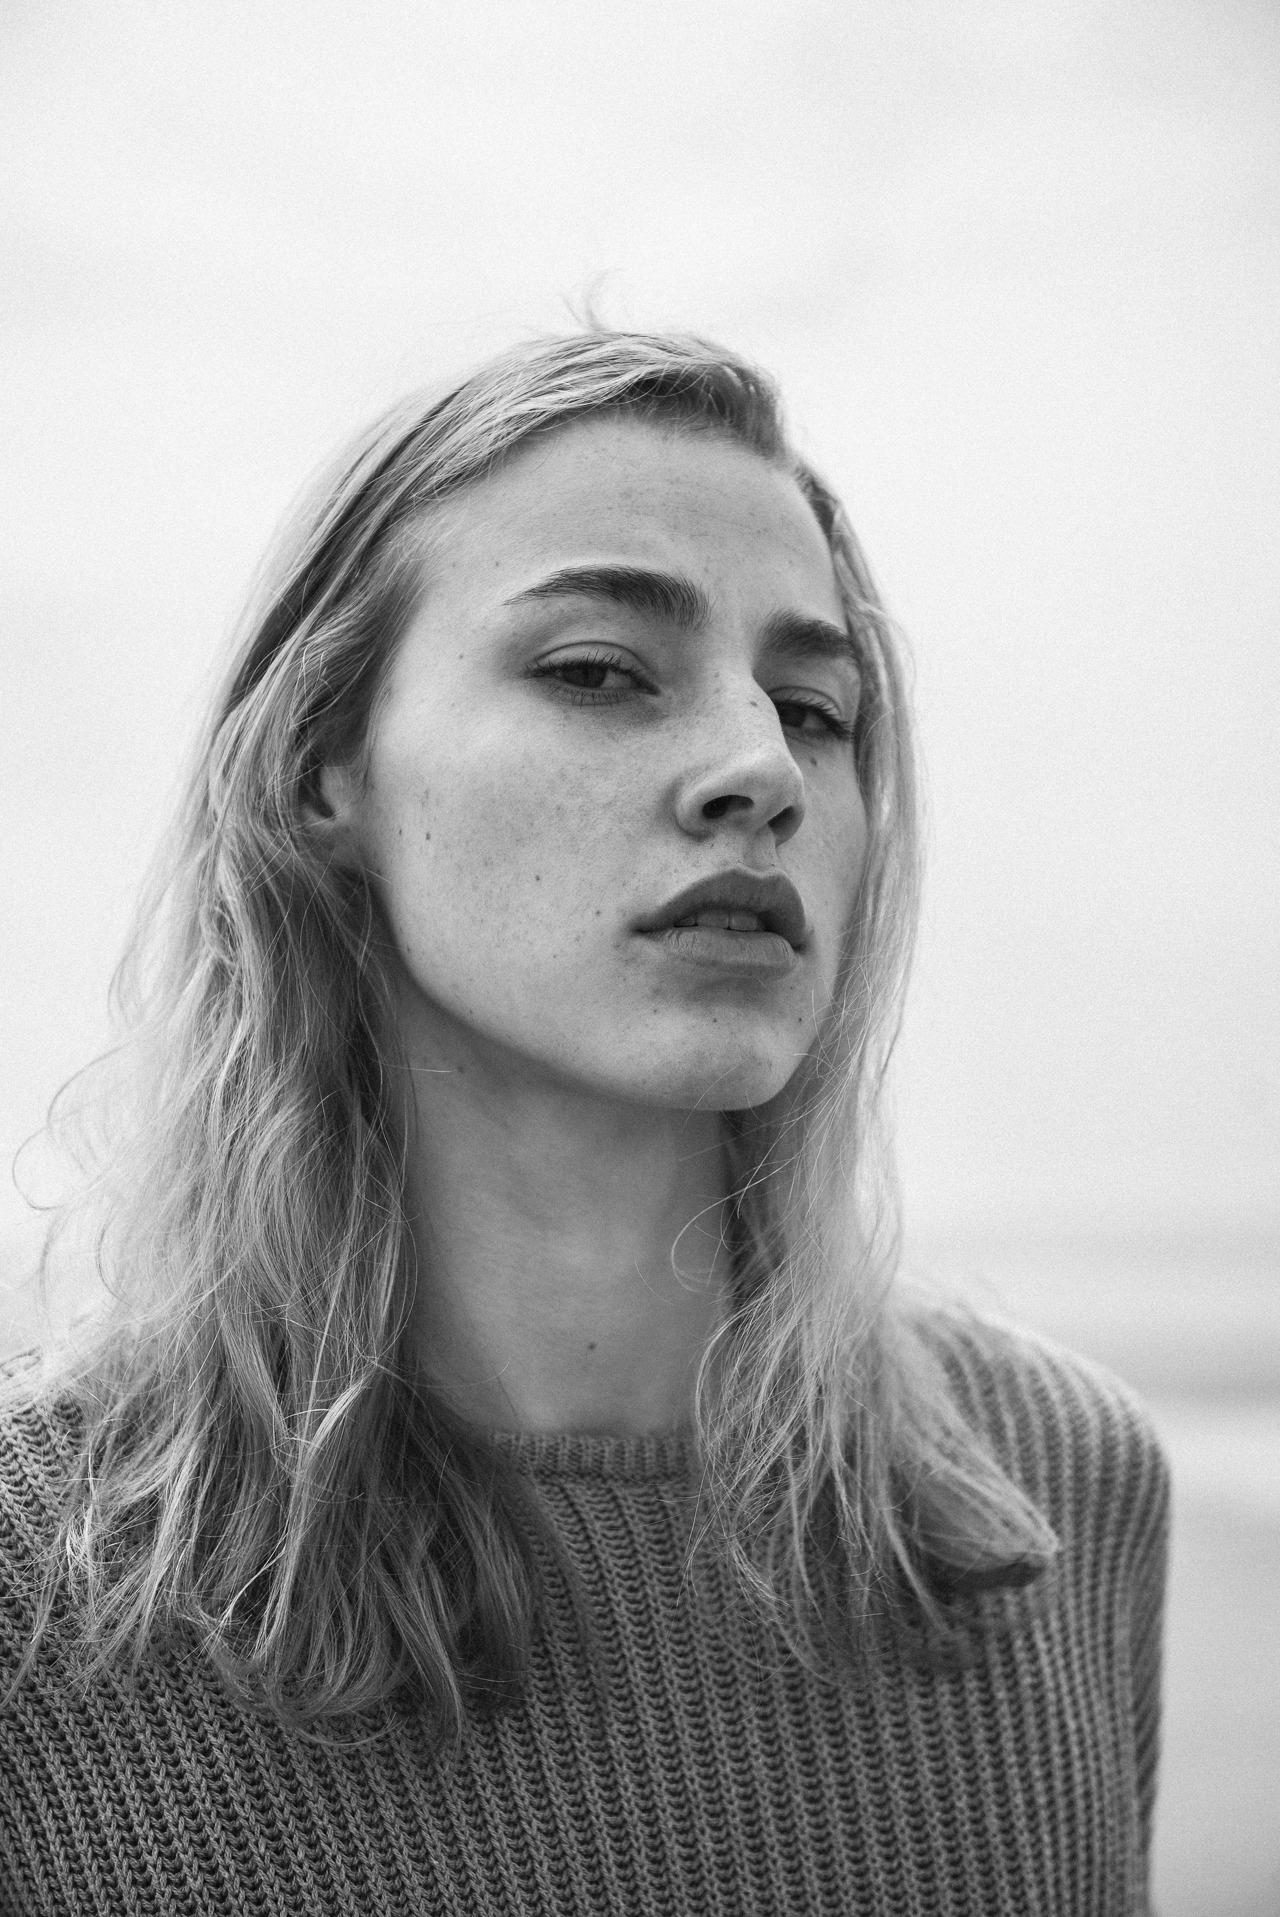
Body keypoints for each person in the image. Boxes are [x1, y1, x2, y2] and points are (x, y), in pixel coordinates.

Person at [0, 329, 1168, 1915]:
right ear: (320, 771)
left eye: (815, 706)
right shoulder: (41, 1584)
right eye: (600, 672)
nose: (760, 769)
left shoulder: (1056, 1488)